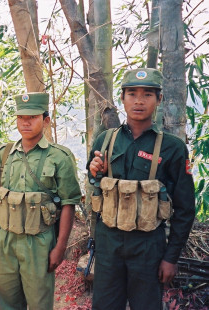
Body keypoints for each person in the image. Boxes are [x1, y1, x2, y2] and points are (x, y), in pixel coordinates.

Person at [88, 68, 195, 310]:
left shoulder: (173, 148)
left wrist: (170, 257)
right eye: (132, 94)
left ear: (159, 99)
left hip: (148, 246)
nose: (138, 101)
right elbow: (95, 186)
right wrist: (94, 172)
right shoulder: (105, 140)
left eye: (147, 94)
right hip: (108, 243)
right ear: (122, 98)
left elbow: (185, 208)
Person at [0, 92, 81, 309]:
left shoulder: (60, 157)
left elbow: (68, 204)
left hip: (38, 241)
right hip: (5, 238)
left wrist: (60, 247)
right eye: (21, 117)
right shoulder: (4, 153)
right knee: (4, 299)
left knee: (39, 302)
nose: (25, 122)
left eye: (32, 117)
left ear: (46, 120)